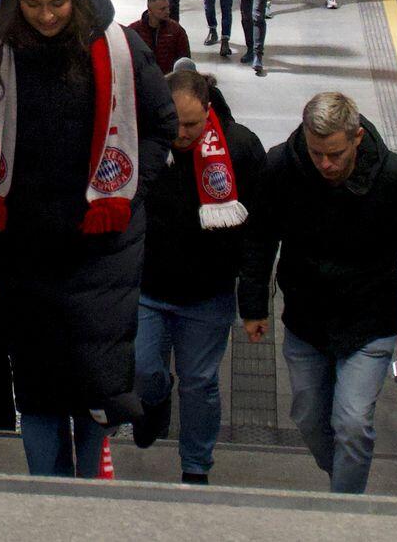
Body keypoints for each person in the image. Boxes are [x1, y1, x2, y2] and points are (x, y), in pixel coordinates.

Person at [0, 0, 174, 478]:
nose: (47, 16)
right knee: (37, 386)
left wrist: (125, 192)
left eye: (58, 3)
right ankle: (49, 496)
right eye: (33, 4)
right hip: (25, 248)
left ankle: (89, 489)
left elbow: (161, 126)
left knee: (95, 379)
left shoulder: (121, 50)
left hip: (101, 248)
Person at [240, 92, 397, 494]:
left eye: (335, 154)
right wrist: (253, 306)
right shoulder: (281, 166)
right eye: (316, 153)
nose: (326, 164)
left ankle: (344, 508)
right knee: (308, 418)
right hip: (306, 320)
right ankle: (342, 479)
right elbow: (259, 238)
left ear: (356, 138)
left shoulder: (393, 176)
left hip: (369, 322)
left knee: (352, 424)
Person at [134, 66, 264, 482]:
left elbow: (259, 230)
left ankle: (195, 466)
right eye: (174, 123)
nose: (181, 133)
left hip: (208, 294)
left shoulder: (240, 148)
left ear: (209, 110)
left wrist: (253, 299)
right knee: (142, 369)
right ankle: (155, 402)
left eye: (191, 124)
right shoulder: (144, 142)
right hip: (148, 287)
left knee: (200, 383)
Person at [123, 0, 190, 75]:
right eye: (162, 9)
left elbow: (184, 58)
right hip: (143, 79)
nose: (167, 12)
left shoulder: (176, 30)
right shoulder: (134, 30)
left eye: (168, 8)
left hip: (168, 78)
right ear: (150, 10)